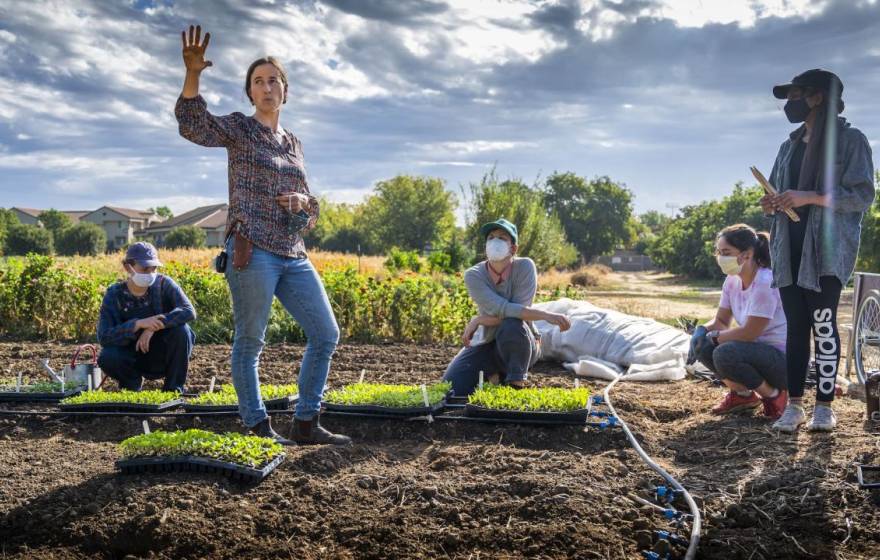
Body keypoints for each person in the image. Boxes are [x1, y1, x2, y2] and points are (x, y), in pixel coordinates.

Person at [174, 25, 349, 446]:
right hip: (252, 248)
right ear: (250, 94)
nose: (266, 87)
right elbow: (192, 125)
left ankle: (306, 421)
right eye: (258, 82)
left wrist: (303, 206)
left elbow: (311, 207)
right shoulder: (239, 129)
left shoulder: (294, 143)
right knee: (250, 340)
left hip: (293, 252)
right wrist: (193, 74)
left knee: (326, 333)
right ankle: (256, 424)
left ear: (285, 91)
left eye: (274, 80)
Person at [761, 69, 875, 433]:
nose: (790, 104)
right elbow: (780, 191)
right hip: (788, 247)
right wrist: (772, 202)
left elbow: (861, 196)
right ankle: (794, 406)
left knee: (823, 326)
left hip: (826, 250)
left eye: (796, 95)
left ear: (818, 97)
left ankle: (824, 407)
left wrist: (809, 197)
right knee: (797, 327)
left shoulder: (852, 141)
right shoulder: (788, 146)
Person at [443, 219, 571, 396]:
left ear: (513, 248)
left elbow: (517, 314)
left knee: (511, 324)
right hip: (487, 341)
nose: (495, 241)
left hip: (521, 342)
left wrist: (479, 320)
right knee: (452, 387)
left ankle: (515, 384)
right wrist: (544, 315)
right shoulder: (474, 275)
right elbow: (502, 308)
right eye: (491, 237)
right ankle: (496, 376)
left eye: (502, 238)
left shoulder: (525, 266)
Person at [687, 225, 789, 419]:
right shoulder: (732, 280)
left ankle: (775, 396)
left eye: (726, 252)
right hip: (754, 354)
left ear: (747, 254)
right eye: (719, 252)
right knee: (704, 346)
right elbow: (721, 320)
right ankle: (743, 395)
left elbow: (750, 333)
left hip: (782, 363)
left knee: (724, 352)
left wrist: (715, 337)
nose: (720, 257)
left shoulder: (765, 282)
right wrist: (701, 331)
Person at [97, 242, 196, 394]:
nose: (150, 273)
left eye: (154, 268)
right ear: (128, 267)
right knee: (108, 356)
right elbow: (104, 336)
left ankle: (173, 389)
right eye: (144, 268)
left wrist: (153, 326)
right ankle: (130, 386)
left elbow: (188, 311)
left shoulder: (164, 284)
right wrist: (137, 324)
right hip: (130, 355)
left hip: (160, 353)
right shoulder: (114, 294)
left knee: (182, 331)